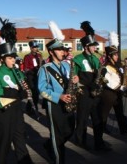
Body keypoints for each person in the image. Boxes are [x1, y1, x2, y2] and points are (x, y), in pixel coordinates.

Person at [0, 18, 32, 164]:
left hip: (18, 112)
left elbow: (23, 90)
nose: (14, 60)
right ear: (2, 58)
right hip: (5, 114)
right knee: (3, 147)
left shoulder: (18, 72)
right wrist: (17, 94)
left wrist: (26, 91)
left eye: (14, 57)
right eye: (11, 58)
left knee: (21, 144)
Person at [38, 21, 77, 164]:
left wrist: (75, 80)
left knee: (69, 131)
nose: (63, 52)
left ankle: (49, 145)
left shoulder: (66, 65)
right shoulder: (45, 68)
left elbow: (71, 81)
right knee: (57, 135)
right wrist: (58, 96)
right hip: (54, 104)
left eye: (63, 50)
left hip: (68, 102)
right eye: (59, 50)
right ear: (51, 51)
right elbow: (42, 89)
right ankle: (59, 160)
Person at [73, 21, 111, 151]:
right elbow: (74, 77)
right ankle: (80, 141)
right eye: (93, 46)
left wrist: (103, 72)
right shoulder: (77, 59)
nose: (96, 48)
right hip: (84, 92)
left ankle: (99, 143)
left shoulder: (96, 59)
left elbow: (99, 73)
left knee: (97, 120)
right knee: (82, 119)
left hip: (95, 93)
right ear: (86, 46)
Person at [99, 32, 127, 135]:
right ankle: (102, 129)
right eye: (115, 55)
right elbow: (109, 82)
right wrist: (121, 88)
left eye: (117, 54)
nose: (117, 56)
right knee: (104, 113)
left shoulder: (118, 65)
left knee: (120, 112)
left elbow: (123, 76)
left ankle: (124, 129)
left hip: (117, 93)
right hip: (109, 93)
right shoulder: (106, 67)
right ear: (109, 56)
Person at [23, 40, 43, 116]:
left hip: (38, 76)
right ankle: (34, 110)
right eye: (34, 47)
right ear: (31, 48)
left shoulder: (39, 56)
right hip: (31, 77)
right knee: (34, 94)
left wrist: (41, 62)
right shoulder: (27, 56)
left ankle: (29, 108)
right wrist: (32, 70)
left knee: (36, 94)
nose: (36, 49)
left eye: (36, 47)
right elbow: (25, 68)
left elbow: (41, 65)